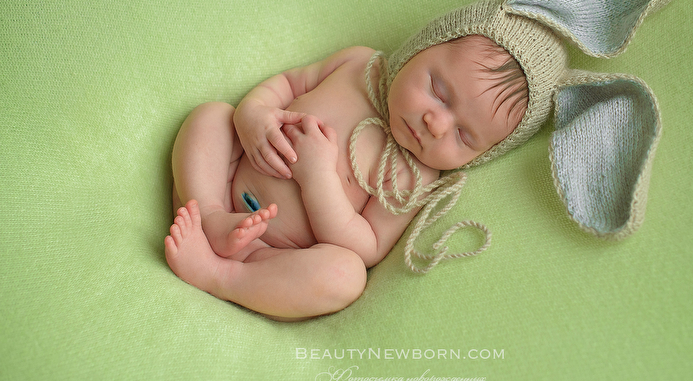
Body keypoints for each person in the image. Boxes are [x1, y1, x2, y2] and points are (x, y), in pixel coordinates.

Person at [165, 35, 528, 321]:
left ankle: (219, 274)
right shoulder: (359, 65)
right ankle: (208, 215)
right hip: (227, 178)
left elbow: (367, 246)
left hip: (273, 256)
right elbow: (290, 83)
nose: (436, 124)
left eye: (464, 137)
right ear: (421, 48)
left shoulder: (415, 177)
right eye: (438, 91)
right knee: (213, 117)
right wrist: (254, 114)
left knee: (346, 276)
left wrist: (318, 177)